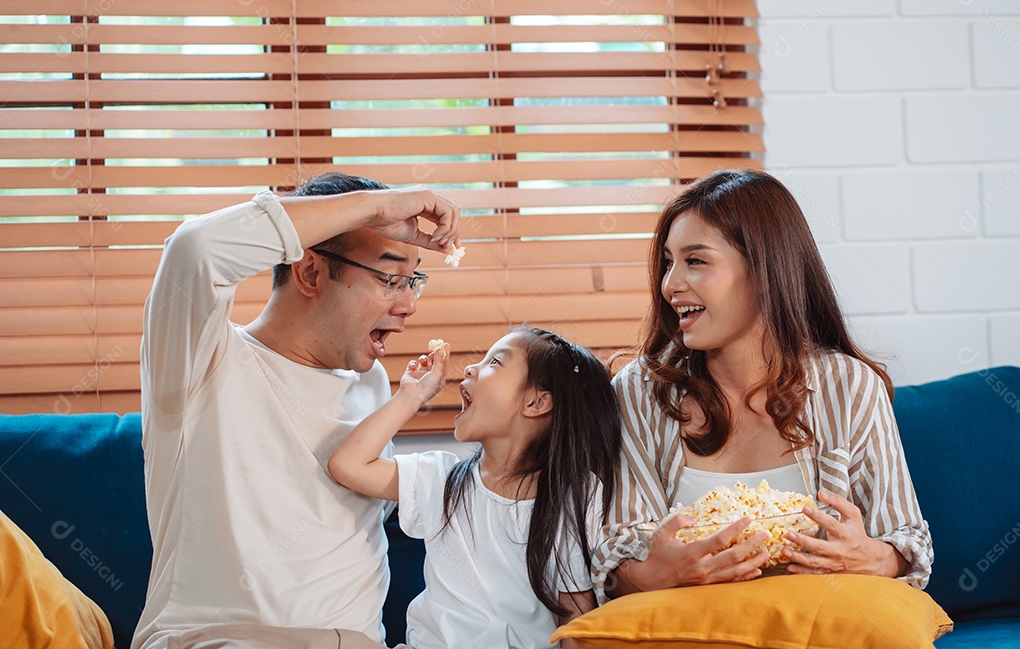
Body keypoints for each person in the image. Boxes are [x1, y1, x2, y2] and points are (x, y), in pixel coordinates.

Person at [135, 172, 460, 649]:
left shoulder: (371, 382)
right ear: (310, 273)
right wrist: (376, 207)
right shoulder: (199, 359)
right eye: (390, 278)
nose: (408, 305)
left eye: (413, 281)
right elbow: (195, 250)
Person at [593, 169, 933, 600]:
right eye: (668, 262)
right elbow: (612, 553)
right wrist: (654, 575)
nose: (669, 285)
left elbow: (907, 541)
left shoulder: (849, 386)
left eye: (695, 260)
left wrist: (872, 557)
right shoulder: (641, 391)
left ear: (764, 270)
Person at [328, 326, 620, 649]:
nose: (469, 368)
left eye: (495, 362)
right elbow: (347, 465)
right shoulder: (439, 478)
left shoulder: (574, 498)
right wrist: (411, 396)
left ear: (537, 402)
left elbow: (575, 621)